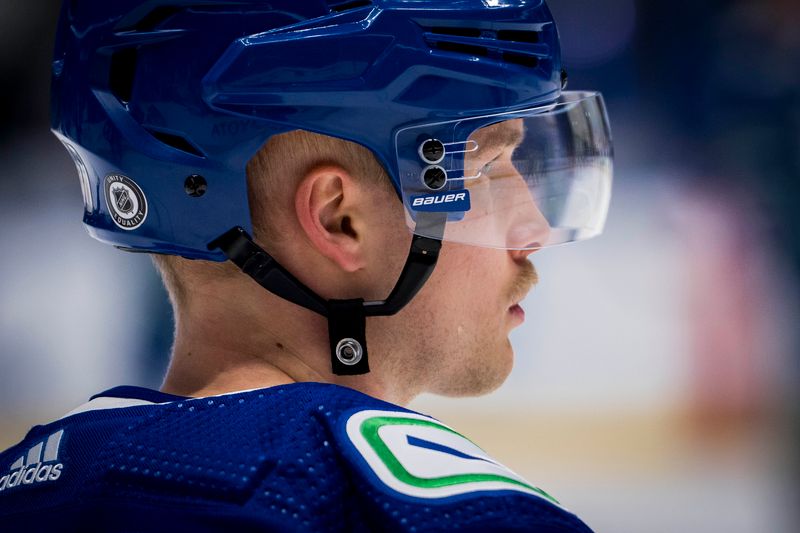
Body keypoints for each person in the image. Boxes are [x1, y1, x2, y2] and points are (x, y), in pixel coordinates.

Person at [0, 1, 613, 531]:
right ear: (340, 220)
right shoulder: (432, 513)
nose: (531, 229)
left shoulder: (30, 486)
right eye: (490, 168)